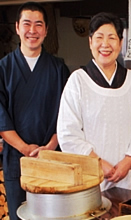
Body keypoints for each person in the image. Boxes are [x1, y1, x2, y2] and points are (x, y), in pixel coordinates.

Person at [57, 12, 131, 191]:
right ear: (90, 42)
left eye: (112, 38)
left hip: (127, 181)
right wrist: (98, 163)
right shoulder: (77, 81)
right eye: (99, 37)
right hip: (89, 181)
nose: (105, 44)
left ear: (121, 42)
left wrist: (129, 160)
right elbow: (68, 133)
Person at [0, 2, 70, 219]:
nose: (33, 30)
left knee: (54, 216)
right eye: (27, 24)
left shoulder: (59, 68)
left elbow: (68, 115)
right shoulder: (3, 68)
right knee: (19, 216)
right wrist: (24, 148)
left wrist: (50, 146)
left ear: (46, 30)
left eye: (38, 24)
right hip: (16, 159)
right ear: (17, 27)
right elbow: (1, 117)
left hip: (52, 156)